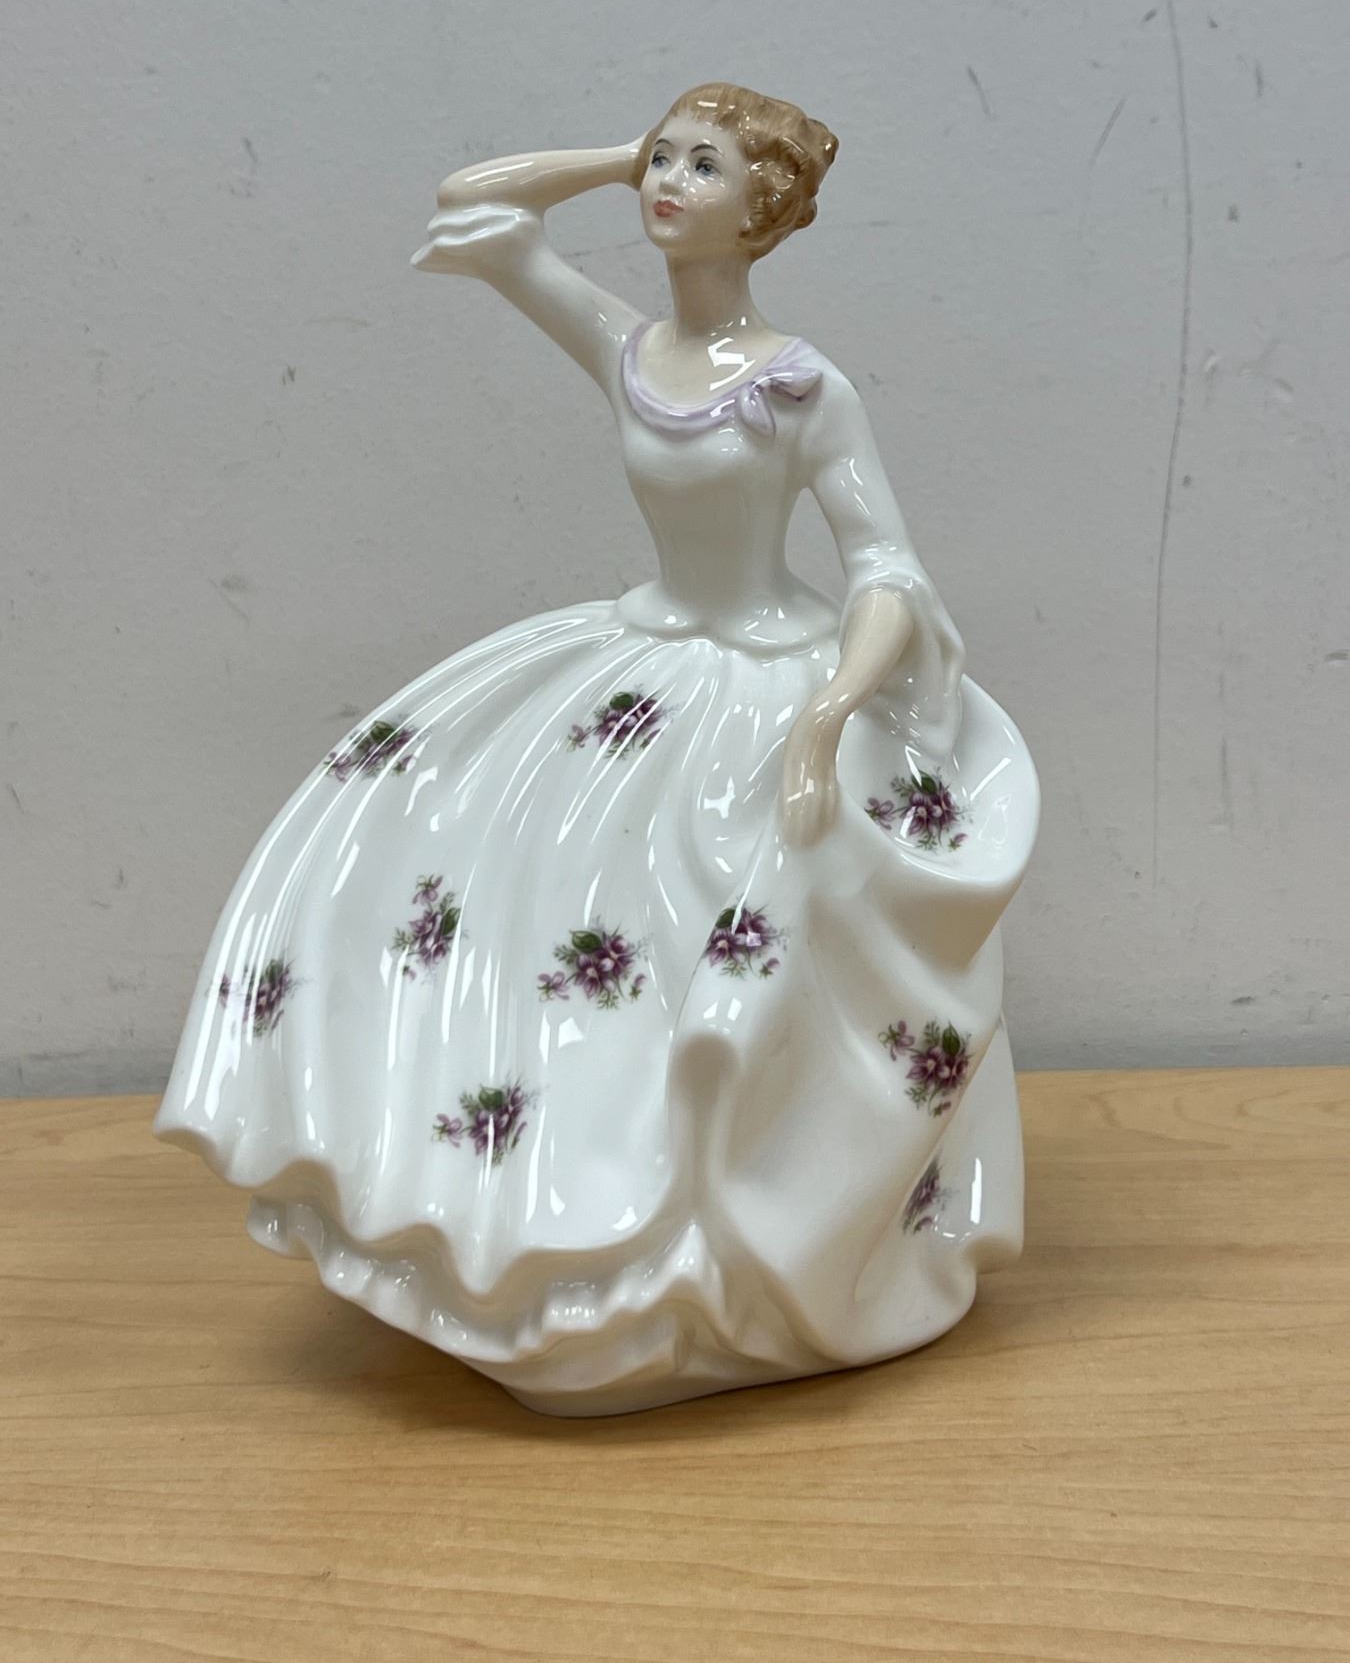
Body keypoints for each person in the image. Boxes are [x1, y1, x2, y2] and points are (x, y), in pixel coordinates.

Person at [154, 82, 1038, 1416]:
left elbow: (887, 571)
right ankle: (537, 1237)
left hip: (766, 687)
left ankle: (740, 1259)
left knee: (741, 972)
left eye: (704, 166)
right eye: (664, 159)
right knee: (506, 892)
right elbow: (477, 207)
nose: (668, 183)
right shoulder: (627, 347)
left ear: (765, 207)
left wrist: (825, 718)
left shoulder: (803, 385)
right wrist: (625, 151)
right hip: (644, 661)